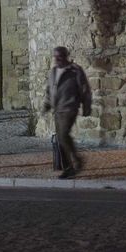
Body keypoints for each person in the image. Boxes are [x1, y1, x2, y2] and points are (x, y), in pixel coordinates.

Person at [41, 46, 92, 178]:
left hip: (69, 107)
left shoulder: (75, 71)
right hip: (57, 109)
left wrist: (87, 106)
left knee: (63, 135)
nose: (57, 59)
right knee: (60, 138)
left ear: (66, 56)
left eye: (60, 56)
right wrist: (47, 105)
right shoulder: (53, 72)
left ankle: (76, 161)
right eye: (56, 57)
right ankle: (69, 167)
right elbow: (49, 91)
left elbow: (85, 89)